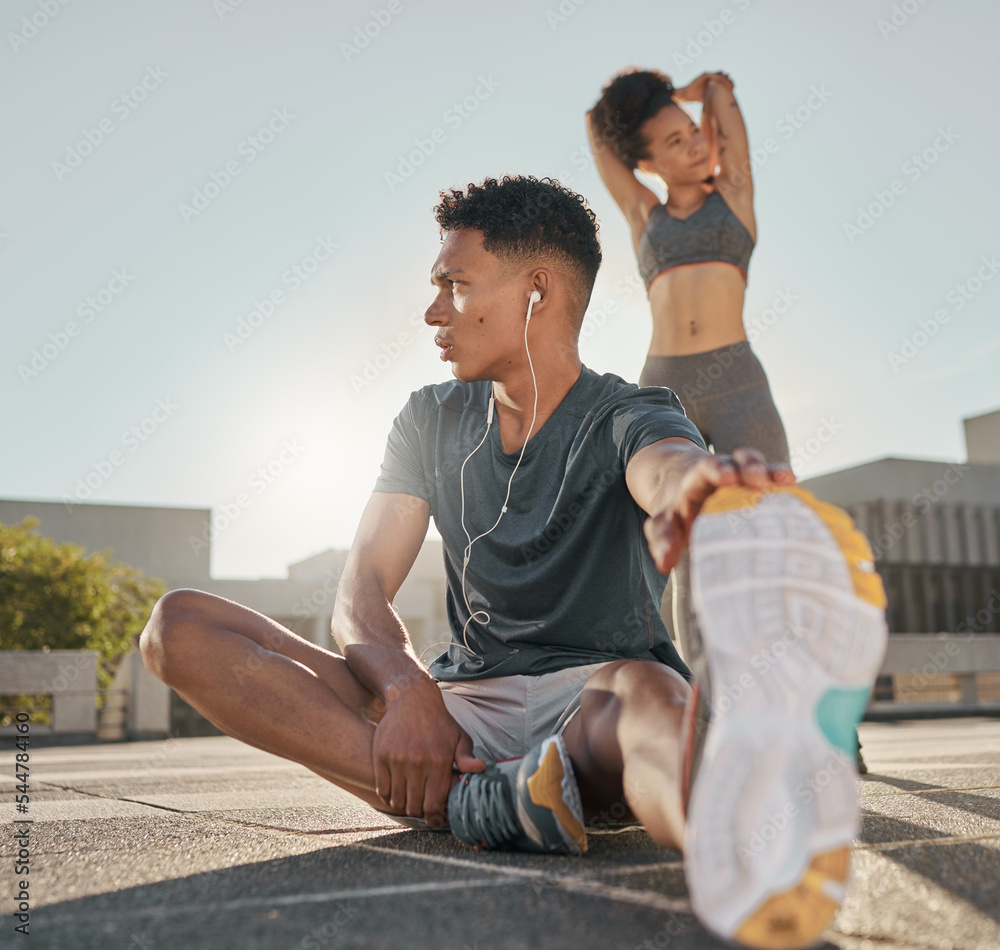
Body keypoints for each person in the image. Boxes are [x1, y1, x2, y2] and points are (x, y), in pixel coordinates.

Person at [139, 175, 887, 949]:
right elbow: (360, 586)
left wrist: (703, 490)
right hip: (460, 707)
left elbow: (665, 466)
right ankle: (498, 797)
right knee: (180, 626)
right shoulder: (428, 418)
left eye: (455, 286)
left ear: (538, 291)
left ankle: (738, 846)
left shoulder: (631, 412)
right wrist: (408, 692)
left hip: (594, 704)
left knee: (652, 697)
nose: (433, 311)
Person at [585, 70, 871, 771]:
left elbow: (727, 125)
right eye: (670, 143)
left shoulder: (735, 196)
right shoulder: (643, 214)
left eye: (694, 137)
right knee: (692, 558)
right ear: (644, 162)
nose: (691, 149)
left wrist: (706, 93)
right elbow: (597, 133)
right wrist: (646, 99)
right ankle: (709, 724)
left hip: (740, 387)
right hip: (665, 394)